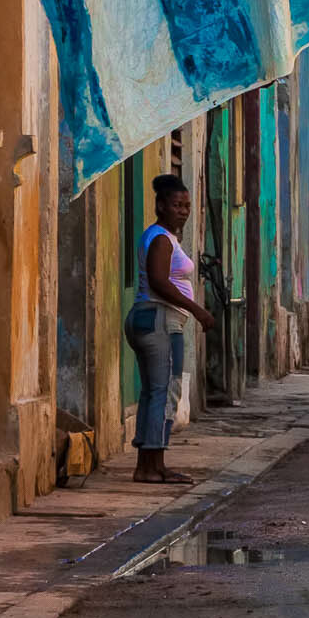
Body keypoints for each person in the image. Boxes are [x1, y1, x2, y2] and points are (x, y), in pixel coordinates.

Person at [120, 174, 217, 483]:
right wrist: (198, 310)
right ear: (160, 206)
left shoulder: (161, 236)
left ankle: (150, 463)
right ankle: (151, 466)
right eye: (177, 205)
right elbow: (160, 282)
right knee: (166, 391)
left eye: (187, 205)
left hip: (151, 318)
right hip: (160, 318)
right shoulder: (161, 238)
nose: (184, 210)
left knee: (153, 392)